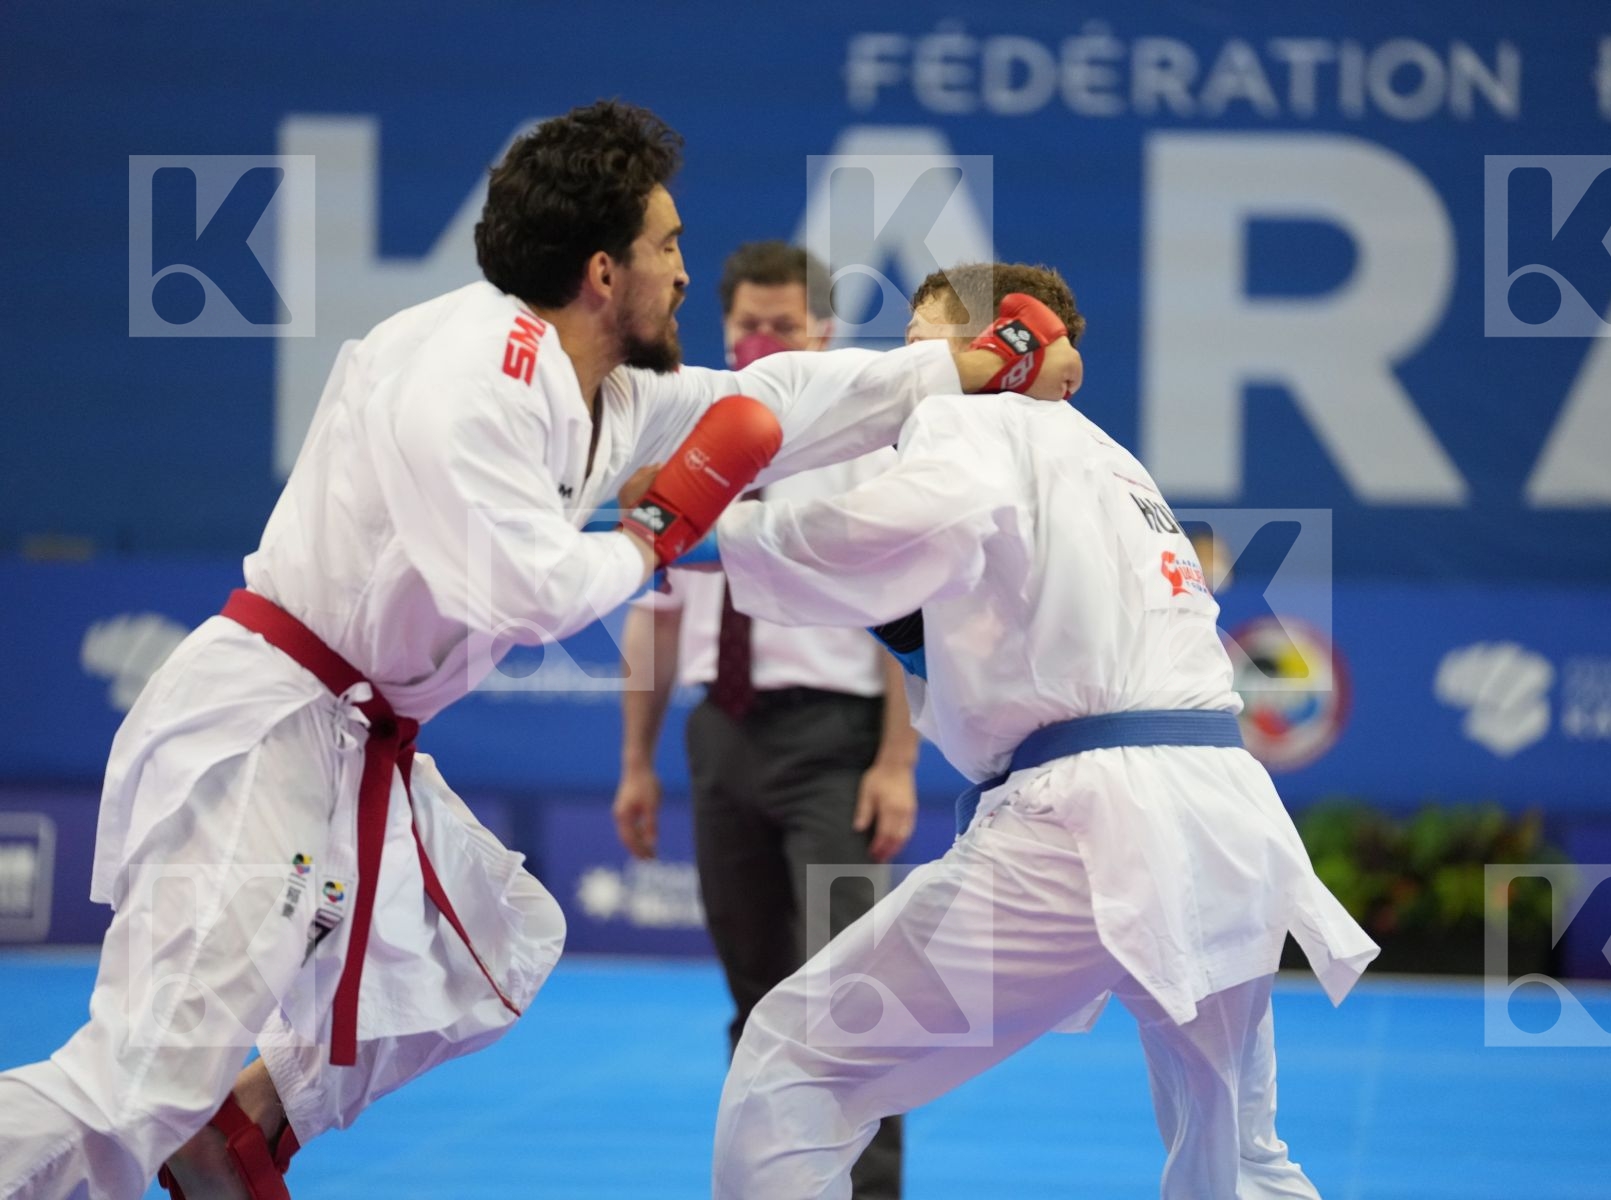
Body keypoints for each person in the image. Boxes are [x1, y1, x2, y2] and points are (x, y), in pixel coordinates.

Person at [0, 101, 1080, 1200]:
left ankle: (243, 1128)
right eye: (666, 246)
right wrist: (656, 535)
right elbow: (516, 586)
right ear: (604, 272)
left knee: (497, 941)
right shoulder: (469, 377)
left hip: (352, 740)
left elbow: (769, 400)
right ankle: (187, 1122)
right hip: (268, 733)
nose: (680, 270)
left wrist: (960, 369)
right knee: (138, 1079)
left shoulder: (594, 391)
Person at [707, 263, 1380, 1200]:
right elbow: (1028, 627)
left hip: (1086, 824)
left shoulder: (974, 416)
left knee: (795, 1063)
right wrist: (916, 640)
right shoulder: (1113, 459)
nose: (908, 374)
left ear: (994, 347)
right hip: (1226, 818)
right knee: (1238, 1160)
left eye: (919, 347)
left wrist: (714, 533)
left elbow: (905, 525)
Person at [613, 241, 915, 1200]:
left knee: (851, 999)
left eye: (783, 326)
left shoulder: (867, 449)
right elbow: (655, 612)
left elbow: (908, 613)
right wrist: (636, 763)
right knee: (754, 999)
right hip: (723, 739)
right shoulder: (689, 445)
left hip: (837, 747)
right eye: (748, 324)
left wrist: (897, 763)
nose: (762, 340)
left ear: (822, 333)